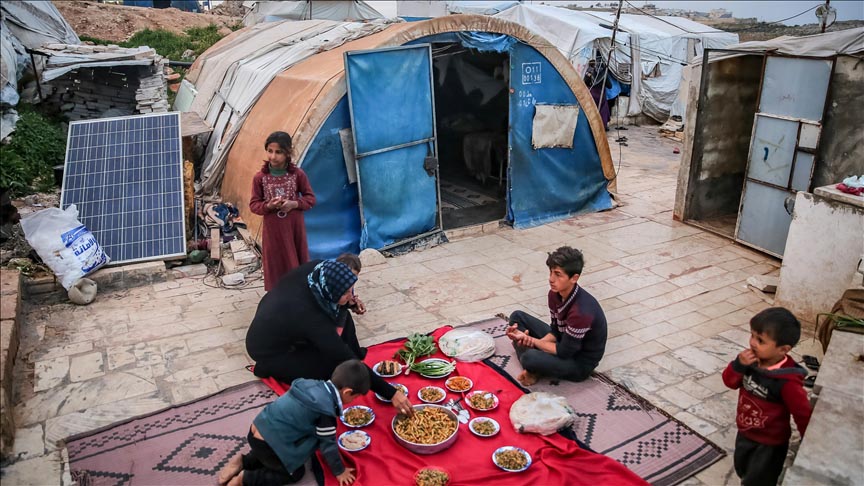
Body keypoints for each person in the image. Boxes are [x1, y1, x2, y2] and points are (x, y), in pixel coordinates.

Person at [246, 259, 414, 416]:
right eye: (347, 292)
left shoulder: (321, 270)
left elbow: (339, 296)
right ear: (330, 291)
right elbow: (342, 357)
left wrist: (350, 301)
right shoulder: (310, 317)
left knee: (342, 314)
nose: (352, 295)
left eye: (352, 290)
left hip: (287, 322)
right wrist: (391, 393)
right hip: (267, 347)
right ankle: (268, 367)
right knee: (330, 370)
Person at [218, 359, 370, 486]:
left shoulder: (309, 383)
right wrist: (339, 471)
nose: (352, 402)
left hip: (257, 430)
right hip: (269, 446)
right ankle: (245, 479)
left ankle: (244, 461)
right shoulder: (326, 412)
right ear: (347, 392)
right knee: (295, 473)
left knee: (269, 455)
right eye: (354, 398)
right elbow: (327, 446)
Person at [722, 307, 812, 486]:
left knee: (759, 481)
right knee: (743, 470)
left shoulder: (787, 381)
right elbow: (729, 382)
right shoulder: (749, 362)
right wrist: (738, 365)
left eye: (761, 340)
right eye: (753, 336)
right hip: (745, 432)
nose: (753, 343)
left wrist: (808, 444)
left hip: (769, 445)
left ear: (783, 350)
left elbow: (802, 414)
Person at [505, 246, 607, 386]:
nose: (551, 279)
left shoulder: (581, 312)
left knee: (529, 357)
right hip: (563, 340)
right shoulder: (554, 294)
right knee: (517, 316)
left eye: (558, 274)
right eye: (551, 272)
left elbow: (565, 351)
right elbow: (555, 330)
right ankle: (535, 366)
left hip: (579, 362)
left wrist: (531, 341)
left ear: (574, 278)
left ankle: (533, 367)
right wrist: (533, 341)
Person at [249, 131, 316, 291]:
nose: (273, 156)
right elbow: (254, 205)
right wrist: (269, 206)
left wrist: (294, 204)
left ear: (288, 152)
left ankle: (299, 296)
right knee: (276, 263)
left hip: (294, 229)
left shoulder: (298, 175)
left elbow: (310, 199)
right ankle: (278, 298)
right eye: (270, 151)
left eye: (278, 152)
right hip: (273, 232)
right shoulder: (260, 178)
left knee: (296, 262)